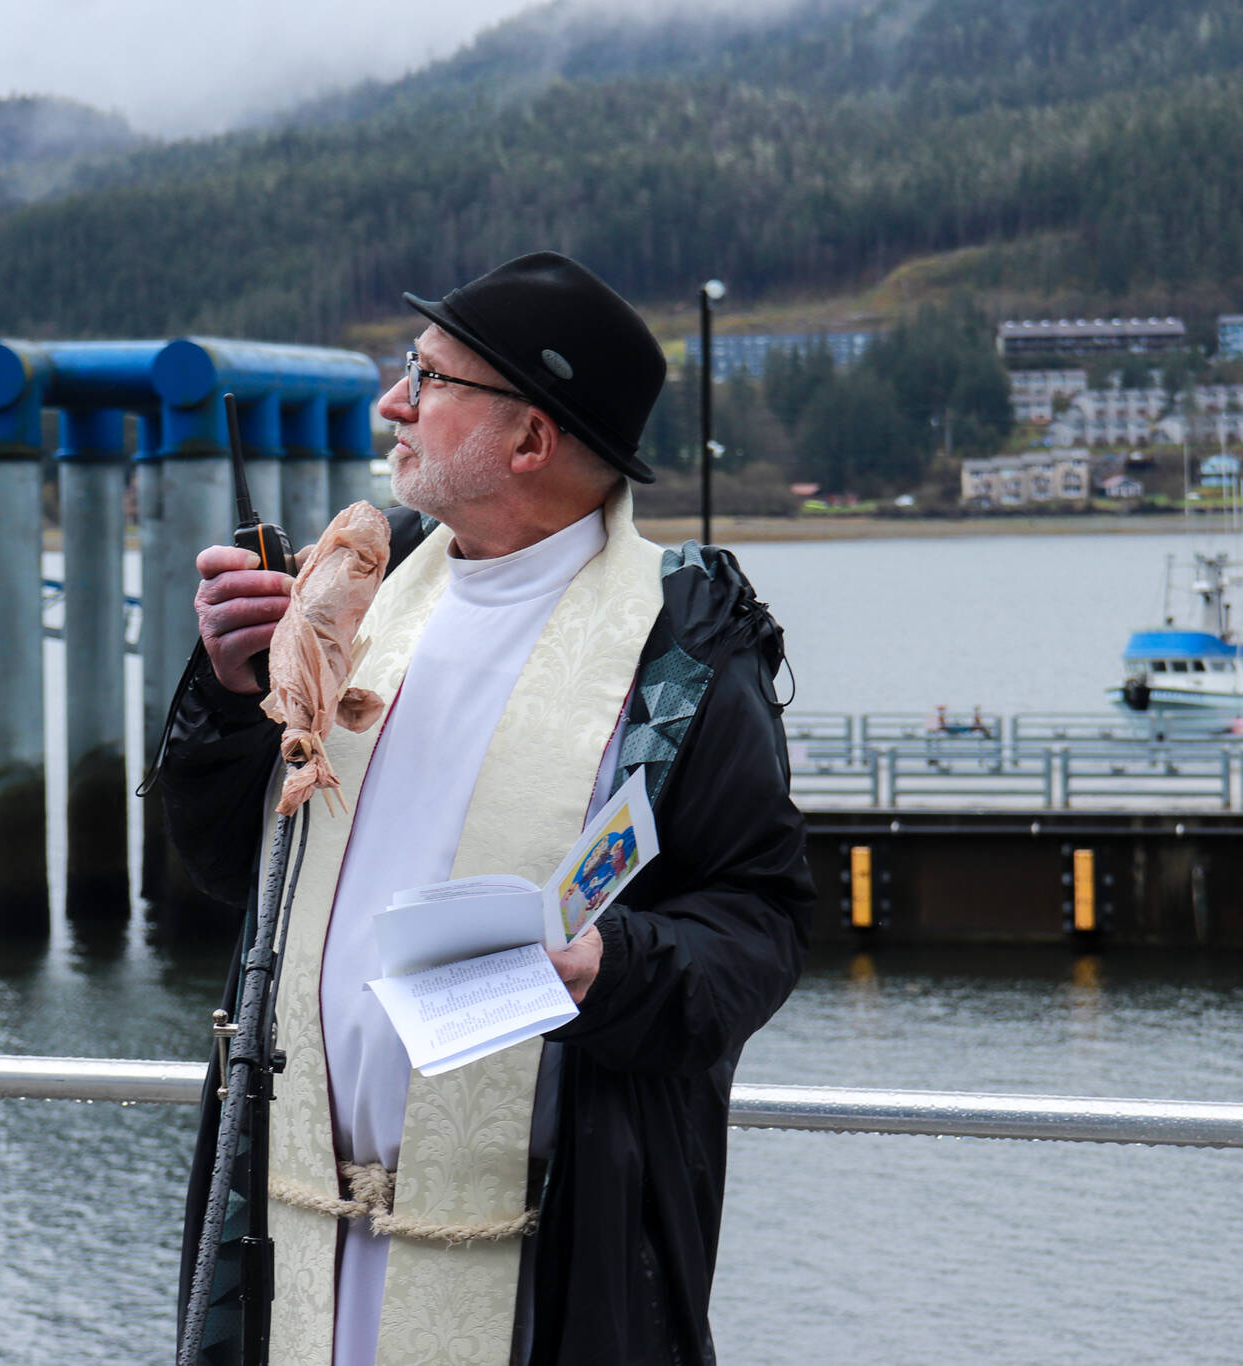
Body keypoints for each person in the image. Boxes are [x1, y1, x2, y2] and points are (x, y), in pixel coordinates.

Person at [158, 251, 813, 1366]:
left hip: (536, 1259)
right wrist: (228, 697)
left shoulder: (681, 646)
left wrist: (612, 968)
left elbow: (759, 919)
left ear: (529, 438)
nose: (391, 403)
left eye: (427, 377)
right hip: (295, 1233)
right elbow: (229, 867)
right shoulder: (353, 593)